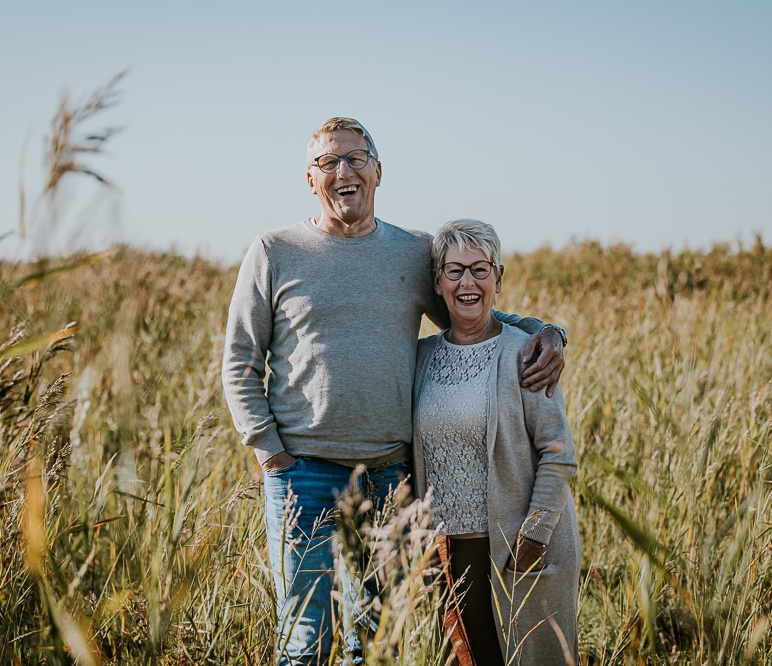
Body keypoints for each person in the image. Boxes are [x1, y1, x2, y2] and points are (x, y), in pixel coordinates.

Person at [222, 118, 568, 666]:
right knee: (305, 639)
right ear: (310, 179)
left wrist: (546, 331)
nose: (344, 171)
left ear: (379, 172)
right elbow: (240, 359)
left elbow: (471, 309)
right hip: (303, 475)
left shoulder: (412, 252)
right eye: (329, 162)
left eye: (356, 158)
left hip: (390, 477)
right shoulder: (274, 250)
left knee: (379, 639)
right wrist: (270, 452)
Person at [412, 219, 581, 666]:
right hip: (449, 550)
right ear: (438, 282)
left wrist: (534, 535)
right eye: (454, 271)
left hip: (516, 547)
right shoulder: (421, 358)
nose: (468, 282)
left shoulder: (527, 352)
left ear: (498, 278)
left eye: (480, 269)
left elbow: (558, 453)